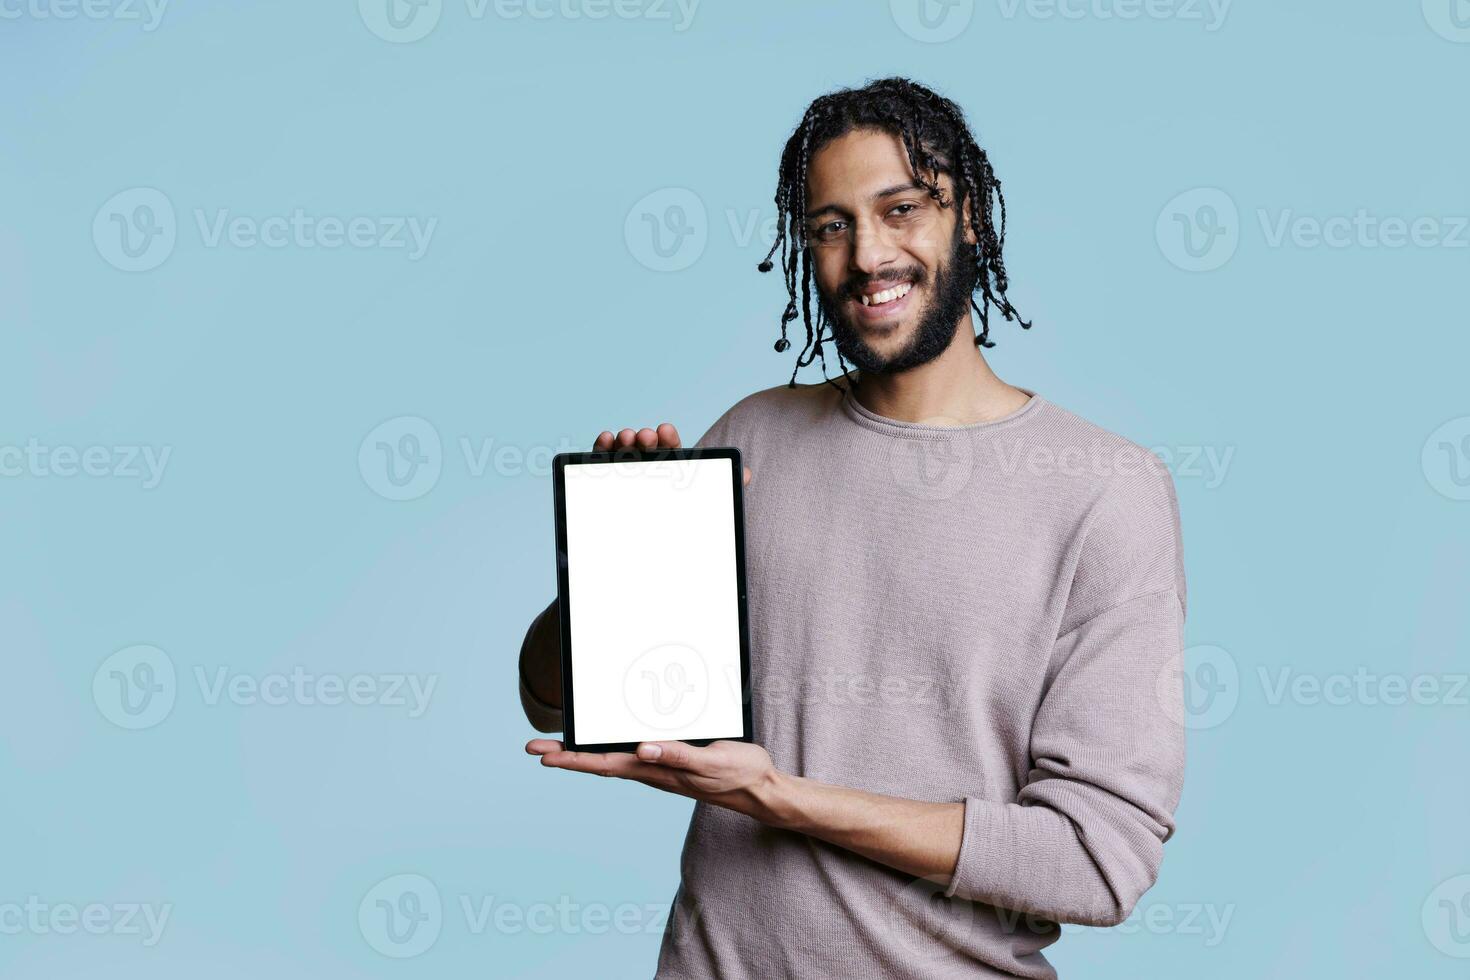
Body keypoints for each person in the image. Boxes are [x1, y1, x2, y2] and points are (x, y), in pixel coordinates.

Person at [519, 76, 1187, 979]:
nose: (868, 255)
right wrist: (612, 573)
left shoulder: (1106, 491)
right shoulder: (753, 435)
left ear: (972, 219)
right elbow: (555, 700)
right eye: (832, 225)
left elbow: (1094, 861)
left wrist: (782, 799)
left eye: (902, 208)